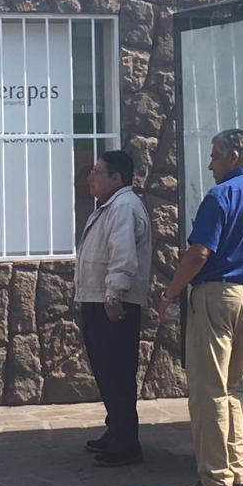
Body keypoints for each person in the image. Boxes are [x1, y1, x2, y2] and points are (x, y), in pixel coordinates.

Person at [157, 129, 243, 486]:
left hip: (219, 294)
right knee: (233, 387)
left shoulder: (221, 195)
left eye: (215, 155)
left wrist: (170, 294)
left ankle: (215, 479)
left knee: (208, 390)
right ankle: (237, 470)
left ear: (234, 156)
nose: (210, 164)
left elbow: (199, 253)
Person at [75, 149, 152, 467]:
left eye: (97, 172)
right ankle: (116, 429)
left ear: (117, 178)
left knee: (117, 372)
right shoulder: (109, 207)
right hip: (97, 298)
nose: (91, 177)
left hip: (112, 304)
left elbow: (122, 255)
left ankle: (125, 443)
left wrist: (113, 297)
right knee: (106, 371)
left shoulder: (123, 207)